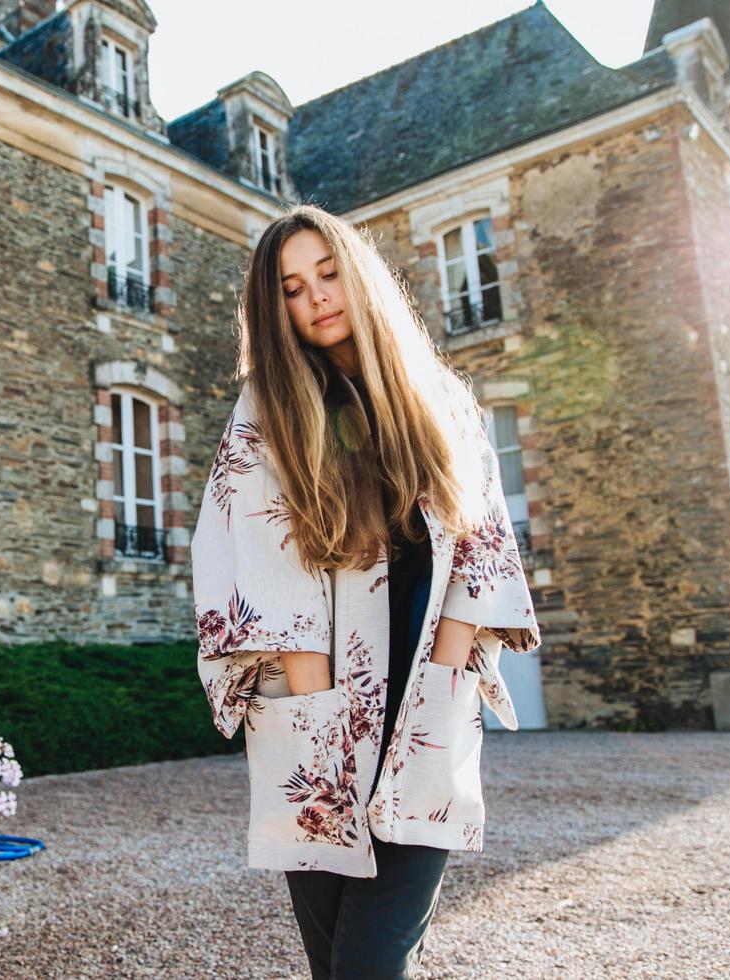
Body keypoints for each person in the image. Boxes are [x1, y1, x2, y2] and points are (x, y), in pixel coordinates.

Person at [191, 204, 541, 979]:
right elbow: (262, 559)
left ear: (358, 277)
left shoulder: (440, 402)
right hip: (315, 723)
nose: (315, 297)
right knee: (338, 964)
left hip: (425, 714)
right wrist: (323, 734)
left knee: (369, 963)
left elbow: (480, 547)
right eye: (290, 287)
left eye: (327, 274)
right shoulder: (267, 412)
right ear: (271, 306)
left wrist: (444, 688)